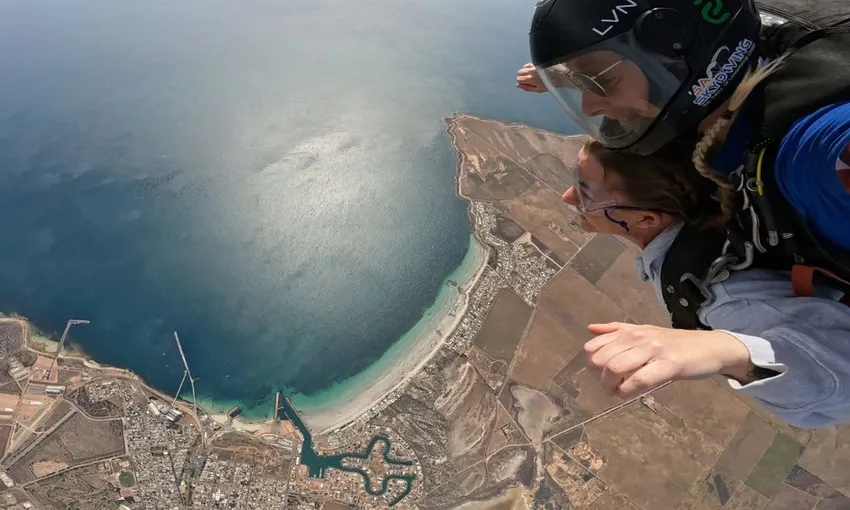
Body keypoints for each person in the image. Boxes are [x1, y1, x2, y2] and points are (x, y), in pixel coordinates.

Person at [522, 0, 850, 329]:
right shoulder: (737, 55)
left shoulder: (814, 152)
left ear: (676, 46)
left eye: (597, 83)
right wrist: (570, 76)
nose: (591, 107)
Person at [568, 138, 850, 428]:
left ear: (646, 218)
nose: (568, 196)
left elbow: (840, 383)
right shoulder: (717, 214)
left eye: (585, 193)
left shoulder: (723, 298)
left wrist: (722, 352)